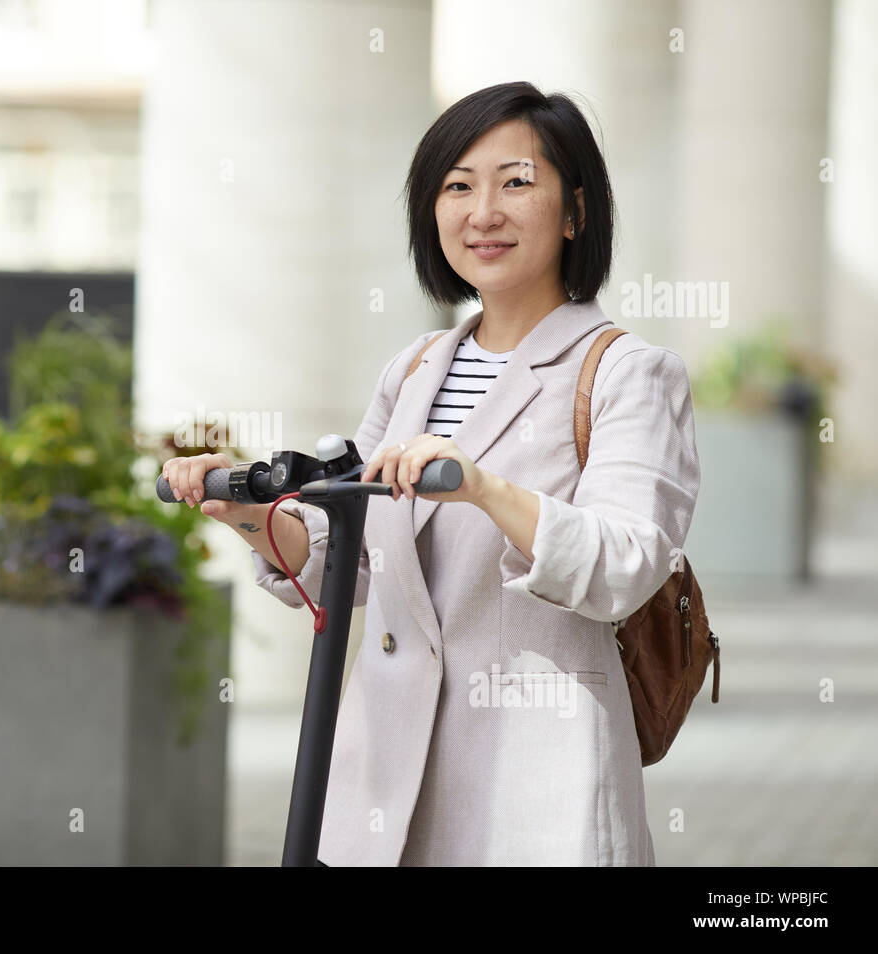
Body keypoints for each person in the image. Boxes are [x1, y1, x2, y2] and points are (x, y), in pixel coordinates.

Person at [160, 81, 700, 866]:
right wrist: (239, 506)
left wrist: (482, 488)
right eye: (457, 186)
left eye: (517, 182)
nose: (483, 212)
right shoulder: (416, 369)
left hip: (536, 784)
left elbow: (625, 566)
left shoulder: (628, 374)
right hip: (386, 782)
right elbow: (344, 562)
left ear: (576, 210)